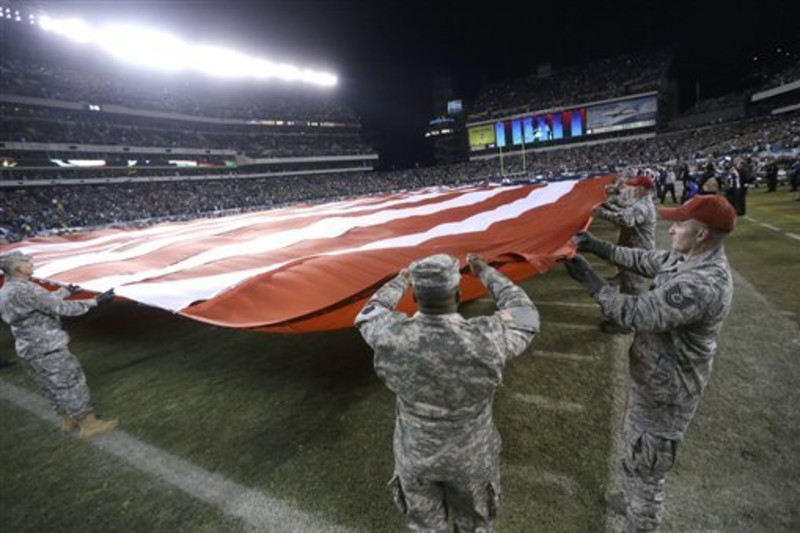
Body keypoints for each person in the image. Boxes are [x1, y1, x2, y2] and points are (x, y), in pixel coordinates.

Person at [563, 194, 736, 532]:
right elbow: (643, 259)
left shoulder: (702, 283)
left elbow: (635, 314)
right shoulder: (687, 258)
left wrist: (590, 280)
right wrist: (597, 246)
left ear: (701, 234)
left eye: (679, 224)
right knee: (635, 449)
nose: (670, 230)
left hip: (668, 391)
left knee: (647, 465)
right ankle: (630, 500)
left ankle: (641, 520)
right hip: (653, 378)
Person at [355, 253, 538, 532]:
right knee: (474, 526)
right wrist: (485, 272)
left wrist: (401, 280)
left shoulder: (391, 334)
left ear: (415, 296)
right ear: (458, 293)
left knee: (425, 527)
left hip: (415, 454)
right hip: (471, 459)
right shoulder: (487, 338)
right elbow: (526, 314)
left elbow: (370, 311)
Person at [0, 251, 118, 439]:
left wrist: (65, 291)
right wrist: (95, 302)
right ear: (17, 267)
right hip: (47, 347)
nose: (31, 262)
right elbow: (61, 308)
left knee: (50, 386)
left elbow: (41, 302)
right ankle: (89, 424)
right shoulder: (28, 289)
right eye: (26, 261)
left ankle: (67, 419)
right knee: (71, 383)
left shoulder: (6, 290)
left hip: (28, 348)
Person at [591, 175, 657, 332]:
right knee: (627, 284)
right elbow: (624, 211)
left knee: (631, 290)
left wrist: (601, 212)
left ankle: (626, 325)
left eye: (636, 187)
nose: (632, 189)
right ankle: (624, 319)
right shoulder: (640, 203)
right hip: (636, 249)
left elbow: (626, 220)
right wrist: (609, 207)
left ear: (643, 189)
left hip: (639, 253)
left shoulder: (642, 206)